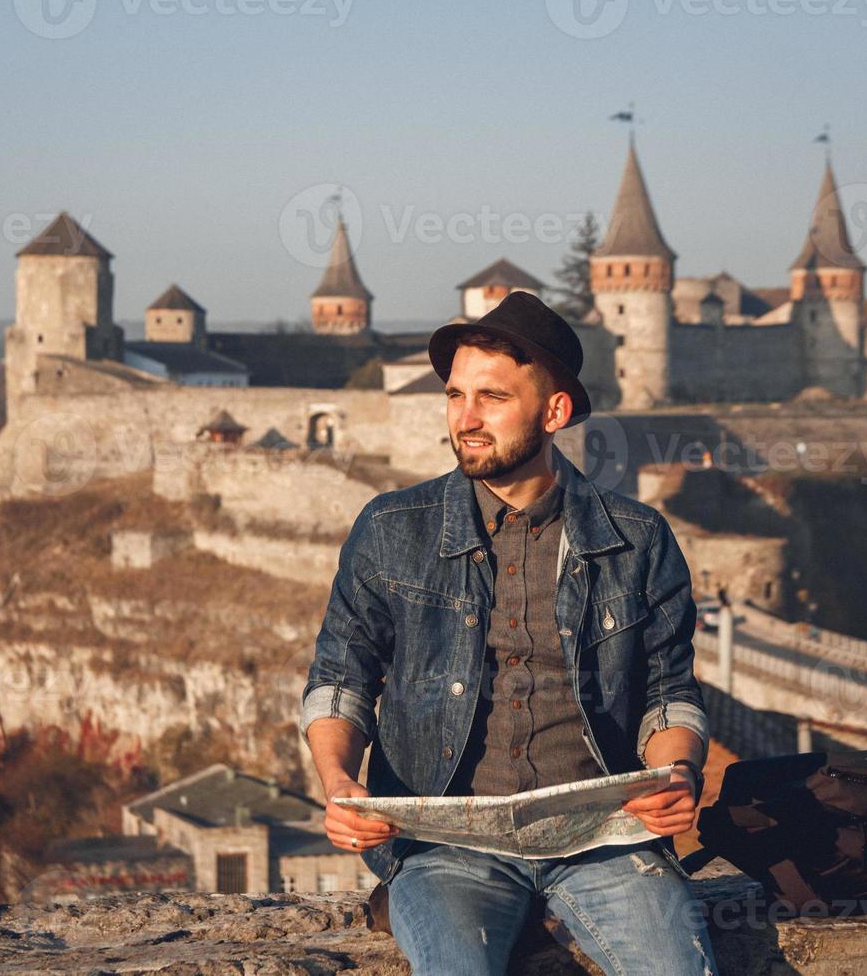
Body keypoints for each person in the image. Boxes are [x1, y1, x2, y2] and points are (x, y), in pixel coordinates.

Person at [299, 292, 717, 975]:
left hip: (603, 838)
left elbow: (670, 693)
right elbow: (342, 676)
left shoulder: (638, 539)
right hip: (445, 841)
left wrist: (678, 772)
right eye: (455, 395)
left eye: (491, 398)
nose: (465, 418)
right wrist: (339, 780)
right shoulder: (392, 528)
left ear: (554, 412)